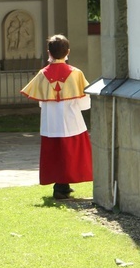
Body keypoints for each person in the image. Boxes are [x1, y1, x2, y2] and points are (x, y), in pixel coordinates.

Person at [20, 34, 93, 199]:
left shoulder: (42, 74)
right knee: (71, 152)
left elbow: (41, 101)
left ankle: (61, 184)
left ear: (49, 52)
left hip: (50, 121)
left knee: (54, 152)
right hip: (72, 119)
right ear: (68, 52)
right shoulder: (76, 73)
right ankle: (63, 185)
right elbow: (85, 101)